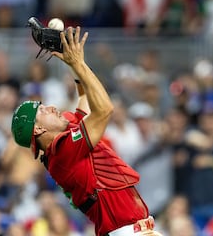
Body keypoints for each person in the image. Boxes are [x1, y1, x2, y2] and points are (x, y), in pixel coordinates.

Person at [11, 26, 162, 236]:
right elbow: (104, 110)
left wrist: (70, 62)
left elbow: (84, 98)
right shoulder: (60, 154)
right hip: (125, 231)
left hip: (138, 229)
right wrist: (77, 64)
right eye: (42, 110)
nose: (52, 107)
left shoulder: (66, 135)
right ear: (37, 129)